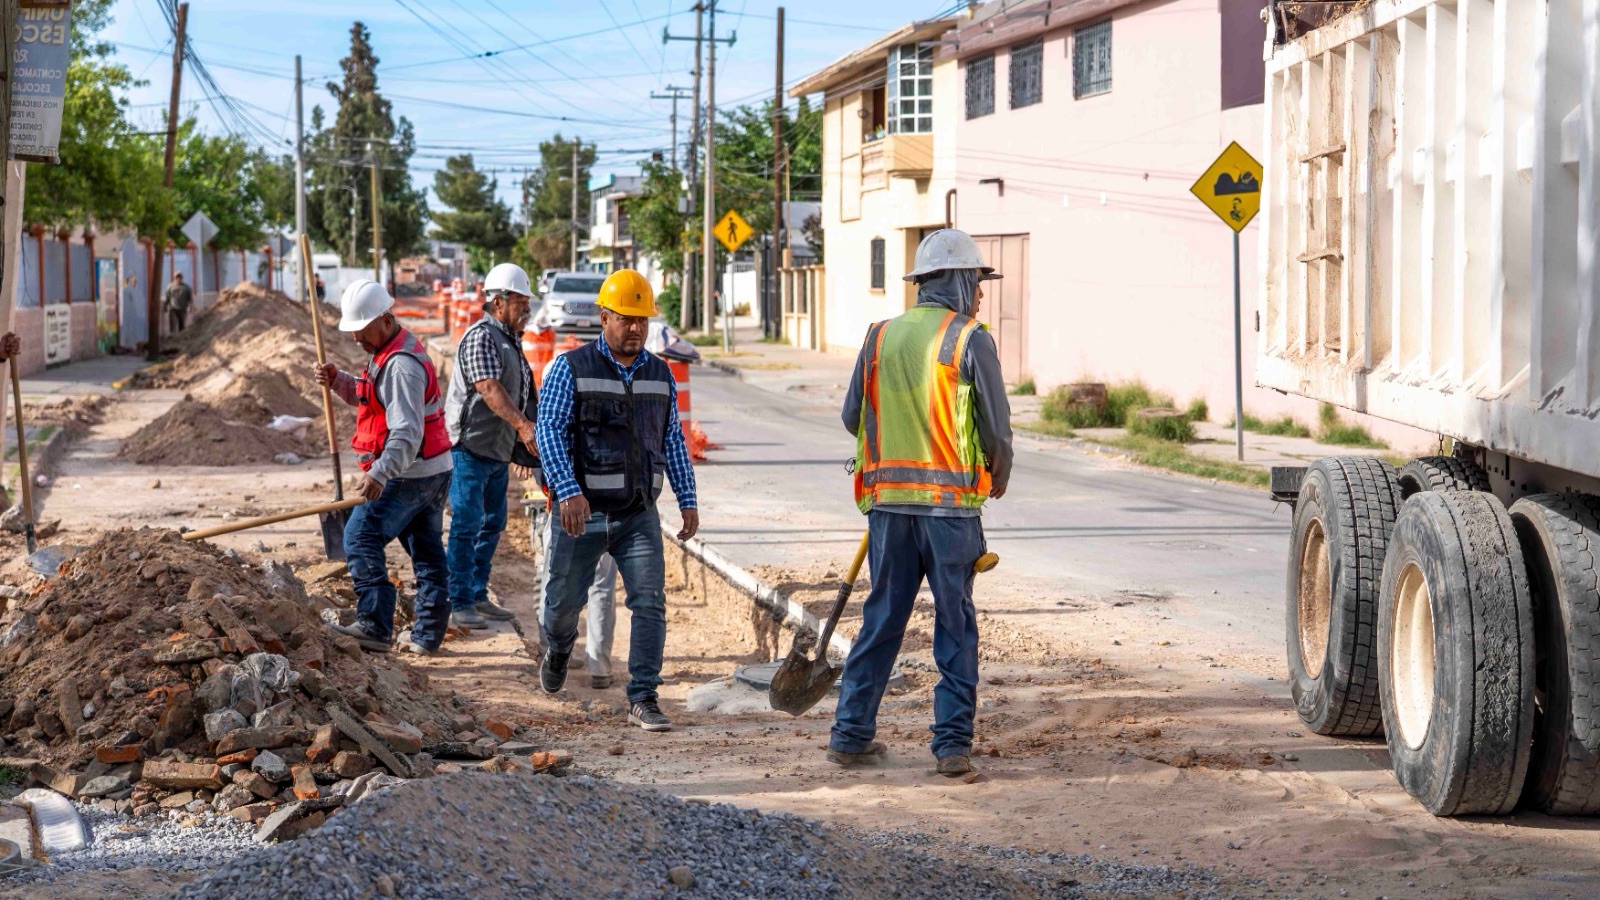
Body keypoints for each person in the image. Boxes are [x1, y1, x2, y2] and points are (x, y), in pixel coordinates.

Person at [830, 228, 1014, 778]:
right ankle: (952, 746)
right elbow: (997, 430)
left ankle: (849, 735)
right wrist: (999, 471)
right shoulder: (969, 338)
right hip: (950, 515)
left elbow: (849, 417)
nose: (981, 293)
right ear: (957, 281)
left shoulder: (879, 337)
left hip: (888, 509)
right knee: (954, 626)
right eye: (977, 282)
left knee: (882, 619)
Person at [535, 268, 699, 732]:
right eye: (626, 319)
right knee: (562, 604)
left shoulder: (660, 375)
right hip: (579, 514)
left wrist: (687, 498)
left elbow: (672, 441)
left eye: (642, 320)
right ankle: (560, 646)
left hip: (637, 514)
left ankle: (644, 696)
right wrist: (566, 491)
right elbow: (549, 431)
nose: (636, 329)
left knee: (649, 602)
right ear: (604, 318)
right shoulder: (571, 369)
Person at [315, 280, 454, 655]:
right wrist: (339, 382)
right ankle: (427, 635)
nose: (357, 338)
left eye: (362, 331)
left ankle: (375, 626)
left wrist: (379, 473)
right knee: (426, 552)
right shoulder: (390, 350)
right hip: (431, 470)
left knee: (360, 537)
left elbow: (406, 432)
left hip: (409, 472)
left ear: (387, 320)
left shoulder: (401, 366)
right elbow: (374, 403)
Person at [443, 263, 537, 630]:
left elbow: (522, 393)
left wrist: (523, 445)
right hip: (469, 447)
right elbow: (488, 388)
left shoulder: (510, 340)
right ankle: (459, 599)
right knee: (467, 523)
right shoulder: (482, 337)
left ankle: (477, 593)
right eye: (520, 302)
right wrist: (523, 428)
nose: (526, 309)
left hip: (495, 450)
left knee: (492, 522)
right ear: (499, 303)